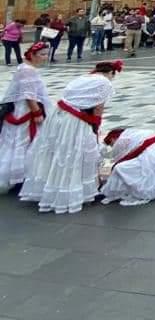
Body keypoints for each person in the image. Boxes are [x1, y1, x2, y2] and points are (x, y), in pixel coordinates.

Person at [20, 60, 122, 214]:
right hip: (77, 121)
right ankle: (73, 192)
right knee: (76, 154)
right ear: (111, 73)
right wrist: (95, 126)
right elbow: (98, 106)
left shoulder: (84, 78)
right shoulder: (104, 82)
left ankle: (50, 188)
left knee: (57, 152)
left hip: (59, 116)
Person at [0, 42, 51, 192]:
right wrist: (37, 113)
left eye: (46, 54)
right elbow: (29, 96)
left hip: (20, 110)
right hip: (24, 112)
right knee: (24, 142)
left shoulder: (24, 68)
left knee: (15, 143)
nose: (44, 57)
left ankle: (18, 176)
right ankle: (20, 177)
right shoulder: (29, 70)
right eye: (41, 54)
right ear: (32, 55)